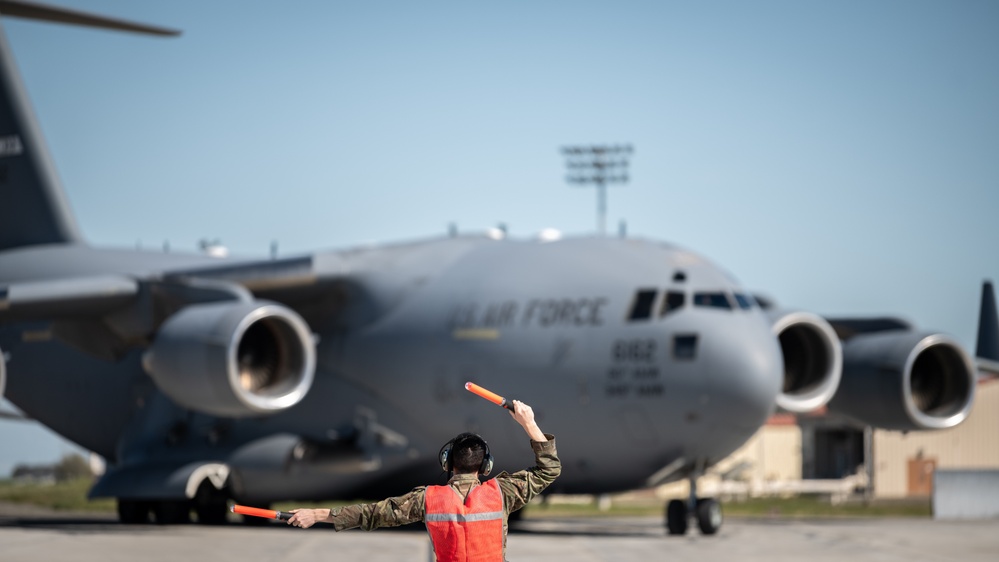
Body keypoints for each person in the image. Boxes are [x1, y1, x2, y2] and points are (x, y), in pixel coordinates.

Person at [286, 399, 560, 561]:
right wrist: (528, 422)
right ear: (485, 465)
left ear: (448, 463)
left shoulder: (428, 500)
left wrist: (315, 514)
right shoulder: (503, 493)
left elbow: (371, 514)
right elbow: (549, 469)